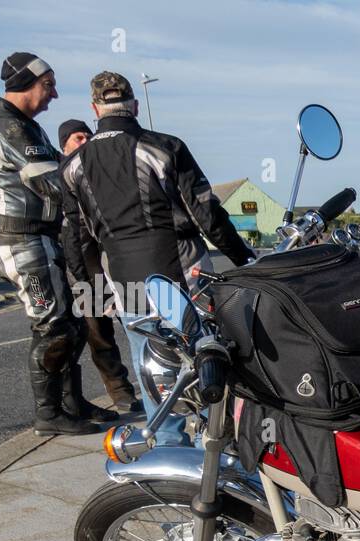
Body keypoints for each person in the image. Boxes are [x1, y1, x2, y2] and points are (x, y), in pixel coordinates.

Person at [62, 71, 255, 445]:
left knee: (149, 362)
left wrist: (93, 290)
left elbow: (76, 239)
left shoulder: (72, 165)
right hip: (182, 271)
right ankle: (215, 441)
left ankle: (167, 443)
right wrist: (243, 258)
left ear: (94, 109)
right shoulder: (165, 147)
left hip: (125, 279)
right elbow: (207, 213)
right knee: (206, 352)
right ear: (134, 105)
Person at [0, 52, 99, 435]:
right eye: (48, 85)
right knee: (53, 328)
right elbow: (56, 183)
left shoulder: (29, 127)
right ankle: (49, 415)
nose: (55, 94)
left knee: (73, 326)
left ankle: (70, 404)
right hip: (22, 241)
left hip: (39, 239)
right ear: (24, 85)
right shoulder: (8, 126)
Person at [57, 118, 138, 415]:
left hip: (118, 264)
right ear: (63, 145)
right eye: (78, 138)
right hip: (84, 268)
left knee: (137, 325)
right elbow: (70, 233)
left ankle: (158, 385)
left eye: (88, 136)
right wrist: (80, 279)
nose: (85, 142)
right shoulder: (61, 175)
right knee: (98, 334)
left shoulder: (99, 173)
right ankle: (120, 392)